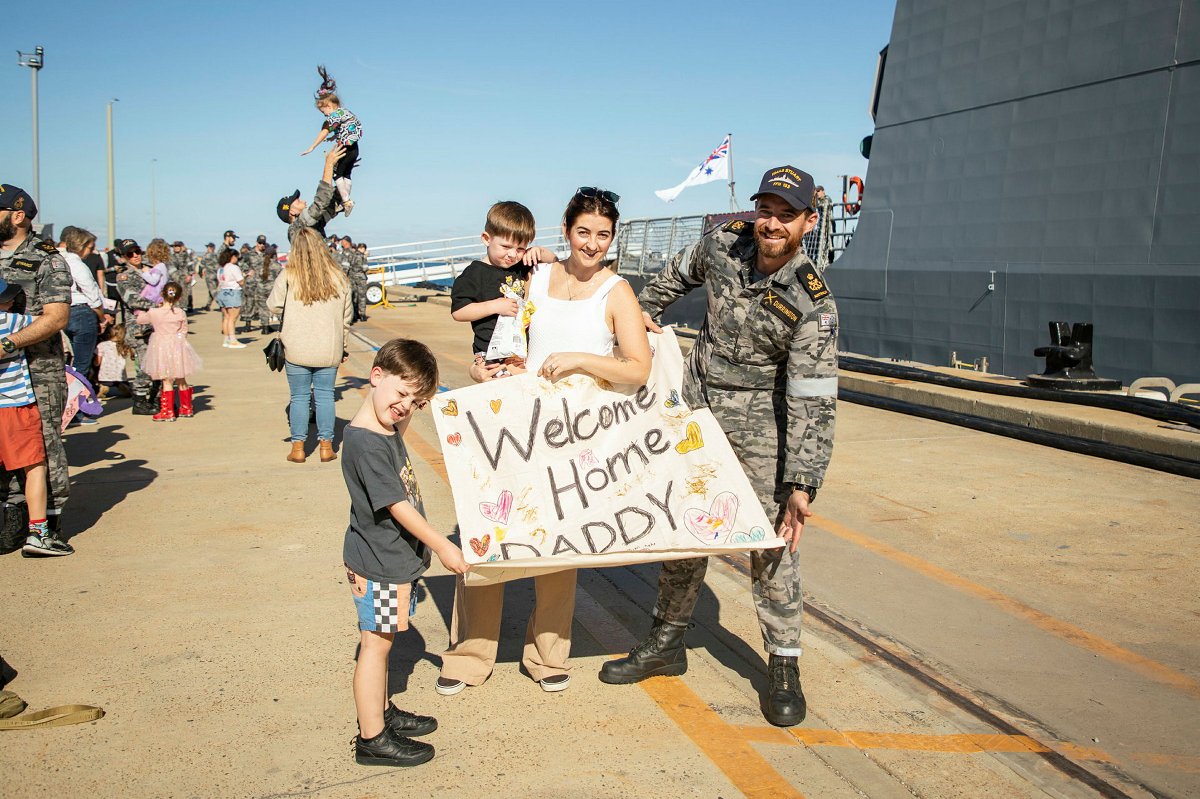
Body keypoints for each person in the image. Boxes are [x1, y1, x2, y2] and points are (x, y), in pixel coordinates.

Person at [598, 166, 838, 729]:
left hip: (763, 429)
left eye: (786, 214)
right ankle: (667, 640)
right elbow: (668, 280)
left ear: (807, 220)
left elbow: (813, 401)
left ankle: (783, 662)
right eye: (766, 210)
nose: (771, 223)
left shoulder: (813, 305)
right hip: (695, 412)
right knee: (684, 528)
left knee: (770, 545)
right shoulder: (723, 245)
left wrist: (801, 482)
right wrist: (641, 323)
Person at [440, 188, 651, 696]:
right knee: (487, 532)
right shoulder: (534, 277)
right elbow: (507, 336)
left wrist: (581, 360)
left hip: (573, 433)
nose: (592, 244)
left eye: (603, 235)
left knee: (558, 547)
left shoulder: (617, 291)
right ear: (566, 228)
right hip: (514, 419)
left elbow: (638, 367)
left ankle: (548, 654)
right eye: (583, 232)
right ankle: (470, 655)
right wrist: (482, 367)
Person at [342, 338, 469, 767]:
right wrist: (442, 545)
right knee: (375, 646)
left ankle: (381, 710)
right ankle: (372, 737)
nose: (404, 407)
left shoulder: (382, 426)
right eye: (401, 395)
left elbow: (400, 423)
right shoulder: (367, 445)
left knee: (387, 638)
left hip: (390, 559)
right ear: (375, 376)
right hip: (377, 562)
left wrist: (419, 404)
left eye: (414, 402)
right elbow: (397, 506)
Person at [0, 185, 74, 554]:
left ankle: (46, 522)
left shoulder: (47, 259)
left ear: (17, 215)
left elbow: (57, 316)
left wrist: (9, 343)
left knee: (42, 445)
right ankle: (10, 516)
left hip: (36, 369)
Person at [266, 227, 352, 463]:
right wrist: (343, 345)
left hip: (296, 346)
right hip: (328, 348)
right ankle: (326, 447)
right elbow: (346, 317)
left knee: (299, 397)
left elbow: (273, 305)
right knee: (325, 396)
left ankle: (298, 448)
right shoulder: (338, 277)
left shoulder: (288, 275)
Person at [450, 201, 557, 360]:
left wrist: (539, 252)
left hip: (521, 350)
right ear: (487, 239)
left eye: (520, 249)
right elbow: (458, 312)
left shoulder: (520, 265)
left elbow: (555, 261)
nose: (513, 255)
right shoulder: (474, 274)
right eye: (506, 247)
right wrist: (494, 306)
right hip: (490, 353)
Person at [0, 277, 59, 558]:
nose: (12, 301)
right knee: (33, 467)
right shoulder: (12, 322)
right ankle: (39, 533)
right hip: (14, 406)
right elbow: (50, 321)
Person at [136, 282, 202, 422]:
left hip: (161, 346)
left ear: (162, 295)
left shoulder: (154, 312)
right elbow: (184, 330)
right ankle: (186, 408)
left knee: (166, 379)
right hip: (178, 346)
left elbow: (140, 320)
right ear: (178, 297)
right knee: (181, 378)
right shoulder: (180, 312)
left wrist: (142, 311)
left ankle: (167, 411)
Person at [302, 65, 363, 216]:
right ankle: (345, 201)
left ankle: (347, 202)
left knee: (337, 175)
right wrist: (334, 137)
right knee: (347, 174)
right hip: (354, 148)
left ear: (329, 106)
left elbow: (324, 131)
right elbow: (345, 129)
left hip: (345, 148)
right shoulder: (346, 112)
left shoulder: (334, 115)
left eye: (324, 112)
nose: (324, 115)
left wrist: (312, 147)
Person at [113, 239, 159, 414]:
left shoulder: (150, 270)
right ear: (124, 257)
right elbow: (132, 299)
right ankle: (139, 400)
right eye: (130, 254)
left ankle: (154, 397)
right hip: (138, 328)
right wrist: (158, 305)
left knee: (157, 364)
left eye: (137, 252)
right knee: (146, 365)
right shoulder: (124, 276)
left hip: (156, 325)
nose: (135, 256)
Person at [59, 226, 105, 380]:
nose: (91, 252)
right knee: (82, 364)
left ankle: (73, 398)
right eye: (90, 248)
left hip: (66, 313)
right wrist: (102, 317)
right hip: (82, 313)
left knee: (75, 360)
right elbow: (92, 294)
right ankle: (78, 400)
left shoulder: (60, 261)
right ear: (81, 246)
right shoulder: (78, 265)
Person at [279, 144, 347, 243]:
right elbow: (321, 202)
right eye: (297, 201)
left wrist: (343, 172)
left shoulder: (312, 223)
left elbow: (334, 201)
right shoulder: (296, 229)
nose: (304, 201)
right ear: (292, 212)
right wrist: (329, 165)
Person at [215, 248, 246, 349]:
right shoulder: (233, 267)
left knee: (227, 317)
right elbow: (241, 281)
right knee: (233, 318)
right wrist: (246, 276)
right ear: (232, 257)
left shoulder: (221, 268)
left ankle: (226, 339)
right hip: (233, 292)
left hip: (223, 292)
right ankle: (233, 340)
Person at [95, 323, 132, 399]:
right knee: (129, 392)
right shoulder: (124, 346)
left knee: (102, 388)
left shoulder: (102, 345)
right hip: (121, 377)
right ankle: (117, 390)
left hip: (104, 377)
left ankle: (105, 389)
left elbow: (97, 363)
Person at [239, 236, 266, 334]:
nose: (261, 245)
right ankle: (247, 324)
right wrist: (246, 272)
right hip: (251, 283)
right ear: (256, 243)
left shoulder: (266, 254)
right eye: (260, 243)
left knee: (263, 304)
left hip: (263, 283)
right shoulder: (249, 254)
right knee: (249, 304)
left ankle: (264, 325)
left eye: (263, 243)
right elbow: (241, 264)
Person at [140, 240, 171, 306]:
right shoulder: (162, 266)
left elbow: (153, 281)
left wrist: (145, 272)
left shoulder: (158, 267)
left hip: (155, 296)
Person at [198, 243, 219, 311]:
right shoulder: (217, 255)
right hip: (217, 275)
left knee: (213, 291)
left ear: (210, 248)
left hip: (209, 276)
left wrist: (200, 273)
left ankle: (222, 304)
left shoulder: (206, 255)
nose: (207, 249)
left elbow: (201, 265)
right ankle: (208, 305)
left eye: (208, 247)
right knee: (212, 290)